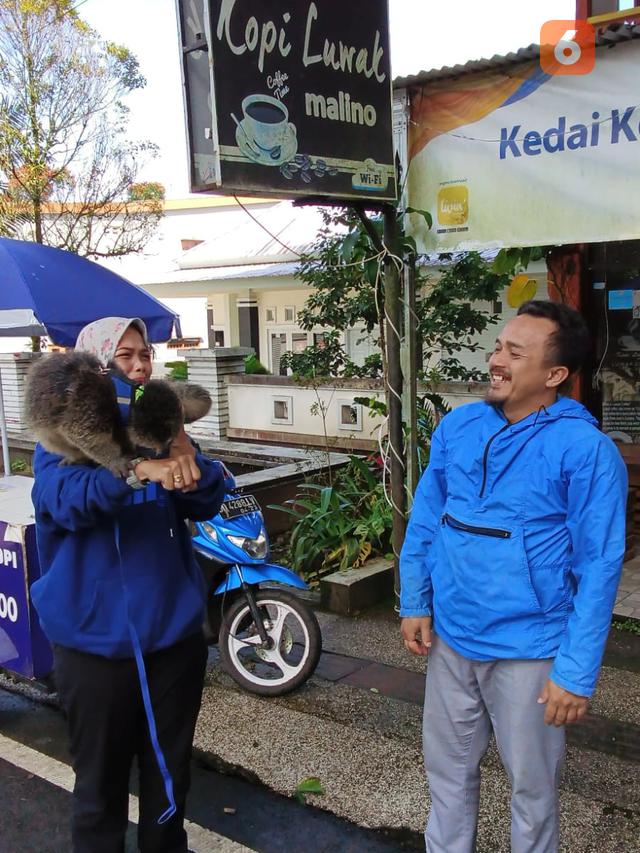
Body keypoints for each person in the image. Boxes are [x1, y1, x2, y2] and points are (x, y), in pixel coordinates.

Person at [399, 301, 627, 853]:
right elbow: (429, 514)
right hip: (451, 638)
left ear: (554, 376)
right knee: (447, 775)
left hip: (529, 649)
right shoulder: (459, 425)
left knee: (532, 788)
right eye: (499, 346)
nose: (496, 359)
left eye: (514, 353)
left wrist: (574, 672)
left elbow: (598, 566)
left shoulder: (586, 451)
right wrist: (415, 599)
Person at [30, 317, 226, 853]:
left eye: (145, 355)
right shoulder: (61, 443)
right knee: (100, 793)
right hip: (94, 650)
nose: (139, 366)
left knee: (170, 784)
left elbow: (208, 496)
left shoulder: (160, 430)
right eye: (124, 357)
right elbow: (57, 501)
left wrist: (188, 457)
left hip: (172, 644)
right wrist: (136, 470)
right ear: (94, 369)